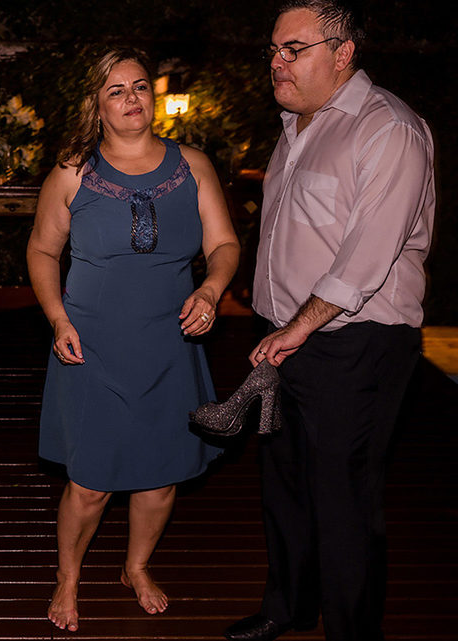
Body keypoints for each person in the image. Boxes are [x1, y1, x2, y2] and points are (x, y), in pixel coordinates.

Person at [226, 3, 435, 641]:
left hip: (355, 343)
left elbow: (366, 255)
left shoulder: (388, 128)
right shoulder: (295, 124)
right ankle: (288, 607)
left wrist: (300, 326)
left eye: (294, 50)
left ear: (343, 53)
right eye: (273, 49)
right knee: (285, 482)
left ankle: (351, 632)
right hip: (285, 335)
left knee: (344, 497)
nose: (277, 62)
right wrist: (273, 319)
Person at [27, 48, 240, 632]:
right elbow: (42, 250)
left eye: (140, 86)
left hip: (171, 342)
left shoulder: (192, 165)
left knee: (161, 477)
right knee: (90, 483)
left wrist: (211, 290)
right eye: (116, 90)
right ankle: (68, 577)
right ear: (96, 104)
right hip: (90, 344)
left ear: (154, 96)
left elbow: (224, 244)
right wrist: (57, 319)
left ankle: (136, 567)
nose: (131, 99)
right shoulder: (73, 172)